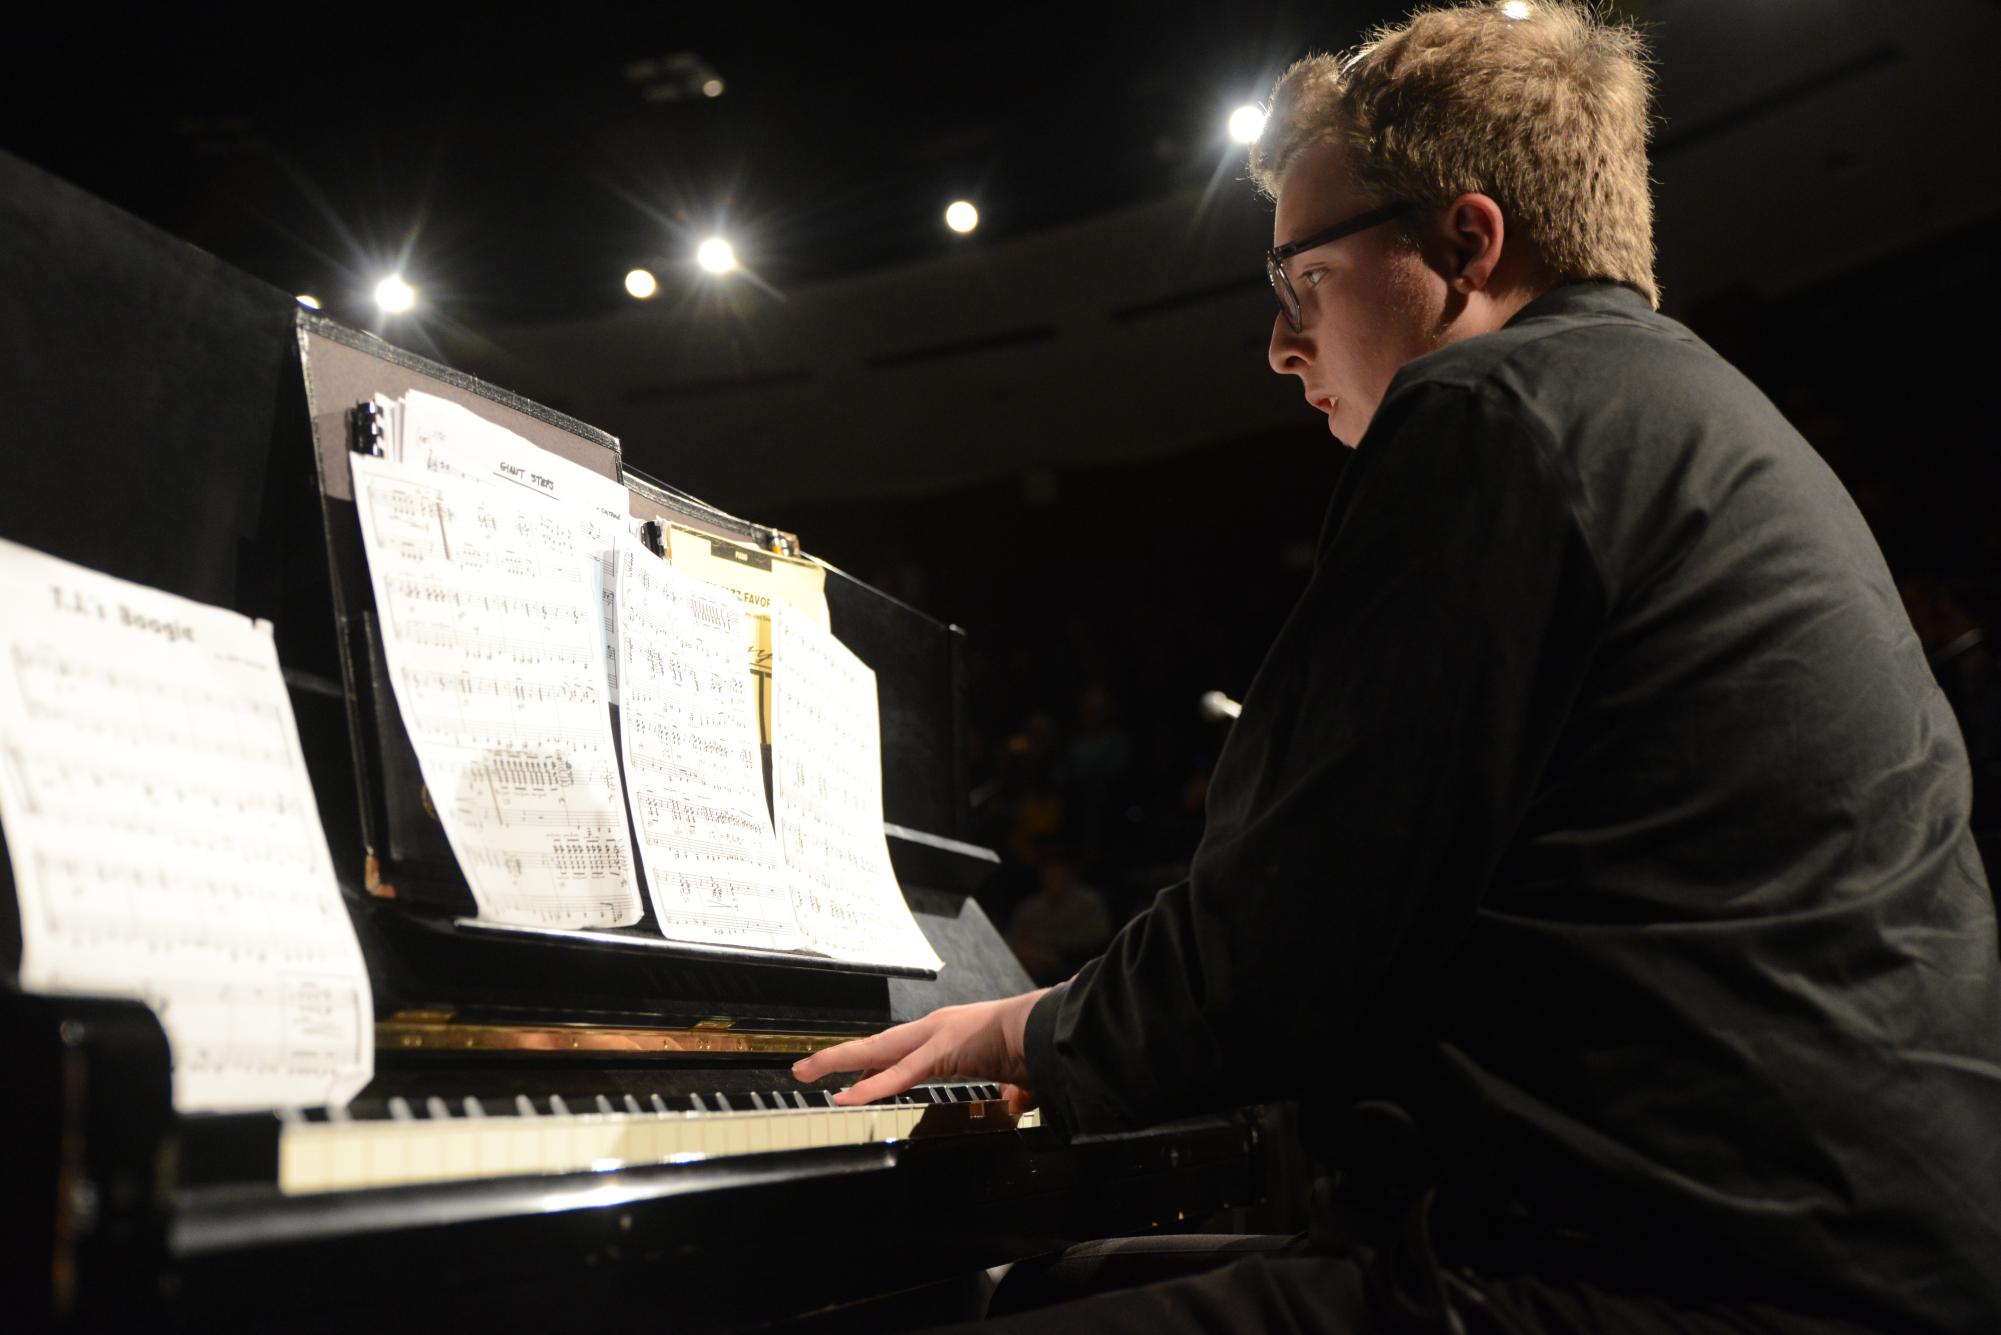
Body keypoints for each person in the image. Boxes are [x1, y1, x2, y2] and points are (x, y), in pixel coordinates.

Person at [795, 4, 2001, 1331]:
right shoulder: (1677, 412)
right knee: (1039, 1285)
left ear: (1464, 246)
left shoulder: (1493, 416)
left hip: (1692, 1279)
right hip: (1815, 1244)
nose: (1278, 344)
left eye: (1299, 277)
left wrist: (1021, 1034)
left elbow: (1282, 952)